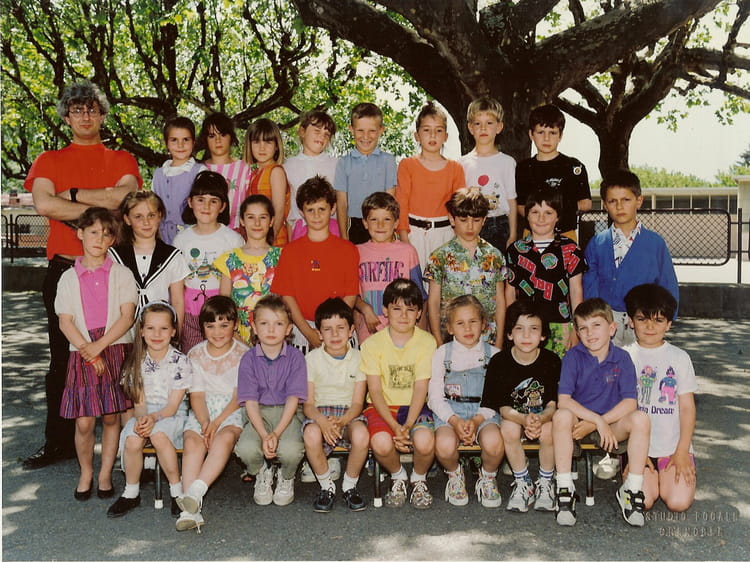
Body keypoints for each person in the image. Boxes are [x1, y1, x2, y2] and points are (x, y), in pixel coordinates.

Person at [23, 80, 141, 470]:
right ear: (66, 117)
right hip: (65, 270)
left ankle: (129, 445)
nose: (85, 116)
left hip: (112, 268)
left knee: (119, 352)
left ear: (102, 115)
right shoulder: (48, 160)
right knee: (63, 358)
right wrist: (99, 203)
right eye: (77, 110)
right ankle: (58, 442)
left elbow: (122, 200)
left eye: (92, 109)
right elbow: (45, 205)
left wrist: (71, 195)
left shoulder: (122, 158)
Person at [55, 207, 137, 501]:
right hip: (82, 349)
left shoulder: (122, 274)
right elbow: (65, 321)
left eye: (106, 234)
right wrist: (88, 352)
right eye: (93, 232)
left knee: (112, 416)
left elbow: (127, 317)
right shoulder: (68, 278)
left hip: (113, 346)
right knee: (85, 420)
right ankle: (86, 472)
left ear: (113, 239)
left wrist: (99, 347)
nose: (99, 240)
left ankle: (105, 474)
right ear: (80, 233)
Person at [552, 298, 650, 527]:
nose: (590, 333)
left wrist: (602, 422)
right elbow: (563, 400)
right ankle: (564, 489)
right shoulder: (572, 357)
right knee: (561, 416)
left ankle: (631, 490)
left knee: (641, 419)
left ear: (612, 328)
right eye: (583, 328)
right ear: (577, 332)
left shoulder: (622, 358)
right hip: (578, 426)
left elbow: (630, 403)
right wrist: (595, 420)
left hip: (612, 426)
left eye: (596, 325)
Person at [108, 301, 192, 518]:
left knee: (159, 436)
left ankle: (177, 491)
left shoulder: (180, 361)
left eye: (164, 328)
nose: (157, 334)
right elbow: (139, 404)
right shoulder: (136, 362)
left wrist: (154, 419)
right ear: (142, 331)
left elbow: (173, 406)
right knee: (133, 439)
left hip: (172, 415)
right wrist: (143, 420)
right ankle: (131, 492)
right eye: (151, 328)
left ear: (173, 332)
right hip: (146, 414)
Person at [360, 279, 436, 509]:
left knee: (424, 442)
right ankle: (398, 475)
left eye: (410, 309)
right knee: (381, 443)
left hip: (416, 406)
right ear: (385, 310)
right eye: (396, 309)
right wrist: (395, 427)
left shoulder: (427, 342)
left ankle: (419, 478)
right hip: (383, 408)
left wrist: (409, 424)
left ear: (419, 313)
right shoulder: (371, 344)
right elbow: (374, 390)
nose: (403, 315)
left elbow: (421, 388)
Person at [176, 296, 250, 532]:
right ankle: (190, 511)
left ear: (235, 325)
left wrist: (216, 423)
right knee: (192, 441)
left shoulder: (243, 354)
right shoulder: (195, 354)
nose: (217, 332)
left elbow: (239, 396)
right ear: (202, 328)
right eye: (210, 326)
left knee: (223, 439)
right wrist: (205, 422)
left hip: (231, 409)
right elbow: (196, 395)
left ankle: (195, 492)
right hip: (203, 410)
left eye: (224, 325)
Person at [583, 169, 679, 347]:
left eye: (626, 200)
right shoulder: (597, 243)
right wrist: (593, 320)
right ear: (605, 205)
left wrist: (665, 319)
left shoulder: (655, 243)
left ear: (639, 201)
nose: (619, 206)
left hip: (644, 320)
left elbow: (668, 283)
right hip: (607, 320)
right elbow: (590, 286)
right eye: (612, 201)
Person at [482, 301, 561, 513]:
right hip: (514, 417)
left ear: (543, 335)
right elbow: (503, 408)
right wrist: (525, 420)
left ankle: (545, 482)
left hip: (543, 417)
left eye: (534, 329)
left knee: (549, 430)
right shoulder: (500, 362)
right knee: (509, 428)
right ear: (509, 334)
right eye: (519, 328)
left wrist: (540, 419)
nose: (526, 336)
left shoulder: (551, 360)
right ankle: (523, 482)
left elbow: (552, 404)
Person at [623, 284, 697, 512]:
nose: (650, 326)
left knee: (678, 502)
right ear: (630, 321)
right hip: (638, 448)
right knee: (643, 501)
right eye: (642, 319)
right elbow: (620, 408)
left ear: (669, 324)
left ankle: (669, 473)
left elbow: (687, 408)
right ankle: (640, 474)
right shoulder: (624, 356)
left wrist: (682, 451)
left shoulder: (680, 357)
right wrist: (633, 453)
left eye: (658, 320)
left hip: (672, 448)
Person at [427, 295, 504, 507]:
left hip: (484, 411)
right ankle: (454, 474)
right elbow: (434, 397)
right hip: (451, 411)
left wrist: (477, 420)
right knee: (444, 445)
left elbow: (496, 397)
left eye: (473, 321)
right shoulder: (442, 354)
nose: (468, 328)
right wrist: (454, 421)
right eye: (460, 323)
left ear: (484, 324)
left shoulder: (494, 355)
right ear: (450, 328)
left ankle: (488, 476)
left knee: (494, 443)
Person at [271, 175, 360, 353]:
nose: (316, 215)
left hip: (338, 328)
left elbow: (351, 295)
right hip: (302, 330)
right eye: (310, 210)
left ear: (332, 208)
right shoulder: (290, 251)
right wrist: (308, 332)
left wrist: (330, 328)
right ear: (301, 212)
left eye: (322, 209)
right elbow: (287, 296)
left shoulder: (348, 249)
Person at [235, 294, 307, 506]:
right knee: (246, 449)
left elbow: (294, 399)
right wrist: (265, 434)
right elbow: (250, 402)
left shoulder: (296, 358)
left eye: (278, 324)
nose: (271, 329)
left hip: (288, 414)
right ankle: (262, 471)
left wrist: (276, 433)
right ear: (254, 328)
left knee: (291, 450)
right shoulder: (248, 359)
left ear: (289, 329)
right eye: (264, 323)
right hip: (259, 414)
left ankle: (286, 476)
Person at [302, 298, 369, 513]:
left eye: (340, 328)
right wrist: (322, 422)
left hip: (349, 414)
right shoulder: (311, 359)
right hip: (319, 412)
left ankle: (349, 485)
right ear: (319, 333)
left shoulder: (359, 358)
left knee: (361, 435)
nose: (335, 334)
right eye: (328, 329)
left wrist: (342, 421)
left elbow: (358, 403)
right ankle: (326, 486)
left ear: (351, 330)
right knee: (311, 434)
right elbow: (308, 405)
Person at [505, 186, 586, 357]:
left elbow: (576, 291)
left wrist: (576, 328)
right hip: (526, 328)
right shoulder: (515, 250)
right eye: (535, 212)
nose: (541, 218)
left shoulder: (570, 249)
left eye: (548, 213)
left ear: (558, 216)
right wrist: (512, 325)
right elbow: (510, 293)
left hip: (560, 326)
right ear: (527, 215)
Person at [424, 187, 507, 348]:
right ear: (452, 219)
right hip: (451, 340)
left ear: (484, 220)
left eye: (476, 220)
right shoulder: (439, 257)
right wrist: (438, 340)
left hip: (487, 340)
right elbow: (433, 302)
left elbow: (500, 301)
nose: (470, 227)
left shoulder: (494, 256)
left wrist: (499, 340)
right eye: (463, 220)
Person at [172, 171, 244, 352]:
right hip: (190, 315)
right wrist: (177, 331)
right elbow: (177, 290)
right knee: (193, 357)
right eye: (200, 200)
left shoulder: (233, 240)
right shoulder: (181, 240)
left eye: (213, 201)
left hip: (222, 317)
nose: (206, 206)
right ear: (190, 202)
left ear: (223, 206)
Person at [395, 101, 465, 274]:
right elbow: (401, 202)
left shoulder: (455, 168)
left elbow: (459, 207)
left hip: (445, 234)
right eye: (426, 130)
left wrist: (459, 238)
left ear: (446, 136)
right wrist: (404, 237)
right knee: (414, 284)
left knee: (442, 284)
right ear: (417, 135)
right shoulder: (407, 165)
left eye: (438, 130)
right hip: (413, 234)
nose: (433, 135)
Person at [109, 190, 190, 335]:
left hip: (158, 335)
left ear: (160, 216)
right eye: (138, 217)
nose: (146, 222)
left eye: (151, 215)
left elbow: (177, 301)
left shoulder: (172, 256)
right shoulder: (114, 256)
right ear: (127, 219)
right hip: (122, 333)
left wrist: (175, 334)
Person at [354, 191, 424, 343]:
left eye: (387, 219)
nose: (380, 225)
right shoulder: (356, 252)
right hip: (369, 331)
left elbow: (420, 297)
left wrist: (421, 336)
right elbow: (351, 294)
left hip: (403, 332)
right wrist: (365, 309)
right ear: (365, 223)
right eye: (374, 219)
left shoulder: (408, 251)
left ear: (396, 223)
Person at [515, 104, 591, 240]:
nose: (546, 138)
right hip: (532, 234)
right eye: (540, 132)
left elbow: (586, 203)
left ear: (560, 135)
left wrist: (557, 210)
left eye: (552, 133)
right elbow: (520, 206)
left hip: (566, 234)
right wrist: (540, 219)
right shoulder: (523, 168)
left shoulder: (573, 166)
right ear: (531, 134)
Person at [215, 194, 282, 345]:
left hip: (274, 336)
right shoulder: (229, 259)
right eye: (251, 217)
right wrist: (237, 339)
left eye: (263, 217)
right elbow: (224, 306)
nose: (257, 223)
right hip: (238, 338)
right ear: (242, 221)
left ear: (271, 221)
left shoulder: (282, 257)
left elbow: (287, 302)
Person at [459, 97, 517, 250]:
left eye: (489, 123)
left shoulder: (507, 162)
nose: (483, 128)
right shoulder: (462, 163)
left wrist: (512, 235)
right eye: (478, 123)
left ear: (499, 127)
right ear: (470, 128)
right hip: (471, 225)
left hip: (500, 225)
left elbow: (511, 200)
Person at [335, 102, 397, 243]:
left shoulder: (388, 161)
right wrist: (344, 237)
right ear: (351, 129)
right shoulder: (344, 162)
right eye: (360, 130)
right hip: (355, 226)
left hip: (381, 225)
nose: (366, 136)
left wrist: (390, 233)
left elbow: (390, 199)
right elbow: (342, 203)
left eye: (372, 131)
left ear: (381, 130)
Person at [283, 109, 341, 239]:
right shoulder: (288, 166)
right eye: (317, 131)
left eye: (327, 134)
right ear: (302, 132)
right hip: (300, 230)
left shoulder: (337, 165)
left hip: (331, 229)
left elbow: (342, 204)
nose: (322, 136)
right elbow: (289, 211)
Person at [152, 116, 206, 244]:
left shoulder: (200, 171)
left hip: (191, 237)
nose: (180, 145)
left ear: (193, 142)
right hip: (162, 238)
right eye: (174, 140)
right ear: (166, 143)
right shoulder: (159, 174)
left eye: (185, 139)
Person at [197, 112, 250, 230]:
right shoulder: (198, 169)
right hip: (205, 234)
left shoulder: (244, 168)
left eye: (223, 134)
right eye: (212, 136)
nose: (218, 140)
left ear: (231, 137)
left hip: (237, 234)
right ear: (205, 139)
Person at [243, 118, 291, 245]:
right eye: (256, 142)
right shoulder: (253, 174)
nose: (262, 147)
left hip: (274, 241)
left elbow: (279, 211)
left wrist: (268, 242)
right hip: (255, 240)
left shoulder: (276, 172)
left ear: (276, 146)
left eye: (268, 142)